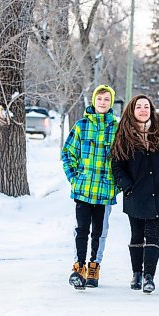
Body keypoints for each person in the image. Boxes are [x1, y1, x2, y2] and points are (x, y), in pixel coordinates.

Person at [111, 95, 159, 294]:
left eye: (146, 107)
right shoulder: (123, 136)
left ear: (151, 110)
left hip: (158, 195)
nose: (142, 110)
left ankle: (149, 276)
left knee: (152, 236)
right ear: (132, 110)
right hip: (135, 195)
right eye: (138, 107)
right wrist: (127, 186)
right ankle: (136, 273)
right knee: (137, 235)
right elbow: (117, 166)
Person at [61, 84, 118, 290]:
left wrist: (116, 185)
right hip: (83, 189)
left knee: (99, 231)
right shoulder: (81, 126)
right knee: (82, 229)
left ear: (111, 103)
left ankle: (94, 266)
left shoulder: (116, 127)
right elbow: (67, 154)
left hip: (104, 190)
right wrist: (75, 178)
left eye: (106, 99)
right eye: (100, 99)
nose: (103, 103)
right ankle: (79, 267)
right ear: (94, 101)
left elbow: (124, 159)